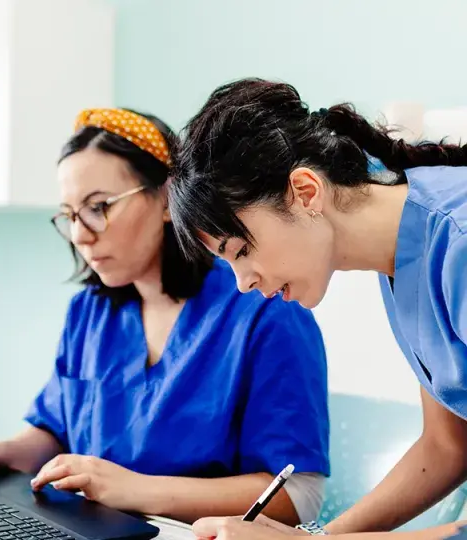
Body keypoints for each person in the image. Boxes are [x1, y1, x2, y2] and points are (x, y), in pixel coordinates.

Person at [0, 107, 331, 525]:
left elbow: (298, 496)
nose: (81, 236)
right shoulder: (89, 312)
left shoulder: (266, 307)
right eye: (69, 216)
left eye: (99, 206)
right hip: (92, 525)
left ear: (166, 198)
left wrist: (135, 490)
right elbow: (55, 433)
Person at [167, 78, 467, 539]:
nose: (243, 284)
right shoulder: (405, 257)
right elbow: (448, 447)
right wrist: (317, 536)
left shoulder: (458, 245)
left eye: (241, 251)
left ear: (306, 192)